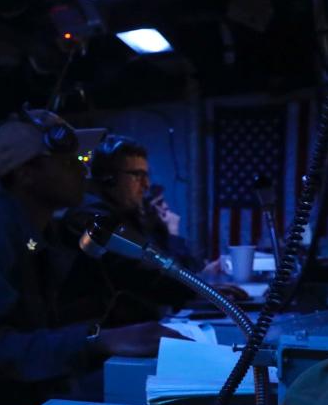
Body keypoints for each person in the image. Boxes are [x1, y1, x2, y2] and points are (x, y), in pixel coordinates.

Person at [0, 109, 184, 405]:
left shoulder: (47, 231)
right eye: (69, 163)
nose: (83, 172)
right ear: (26, 173)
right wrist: (98, 340)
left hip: (39, 393)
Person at [63, 135, 243, 321]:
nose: (146, 185)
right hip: (108, 334)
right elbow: (136, 274)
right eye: (136, 175)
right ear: (109, 178)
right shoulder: (92, 217)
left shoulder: (129, 215)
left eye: (146, 175)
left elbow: (166, 262)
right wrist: (198, 289)